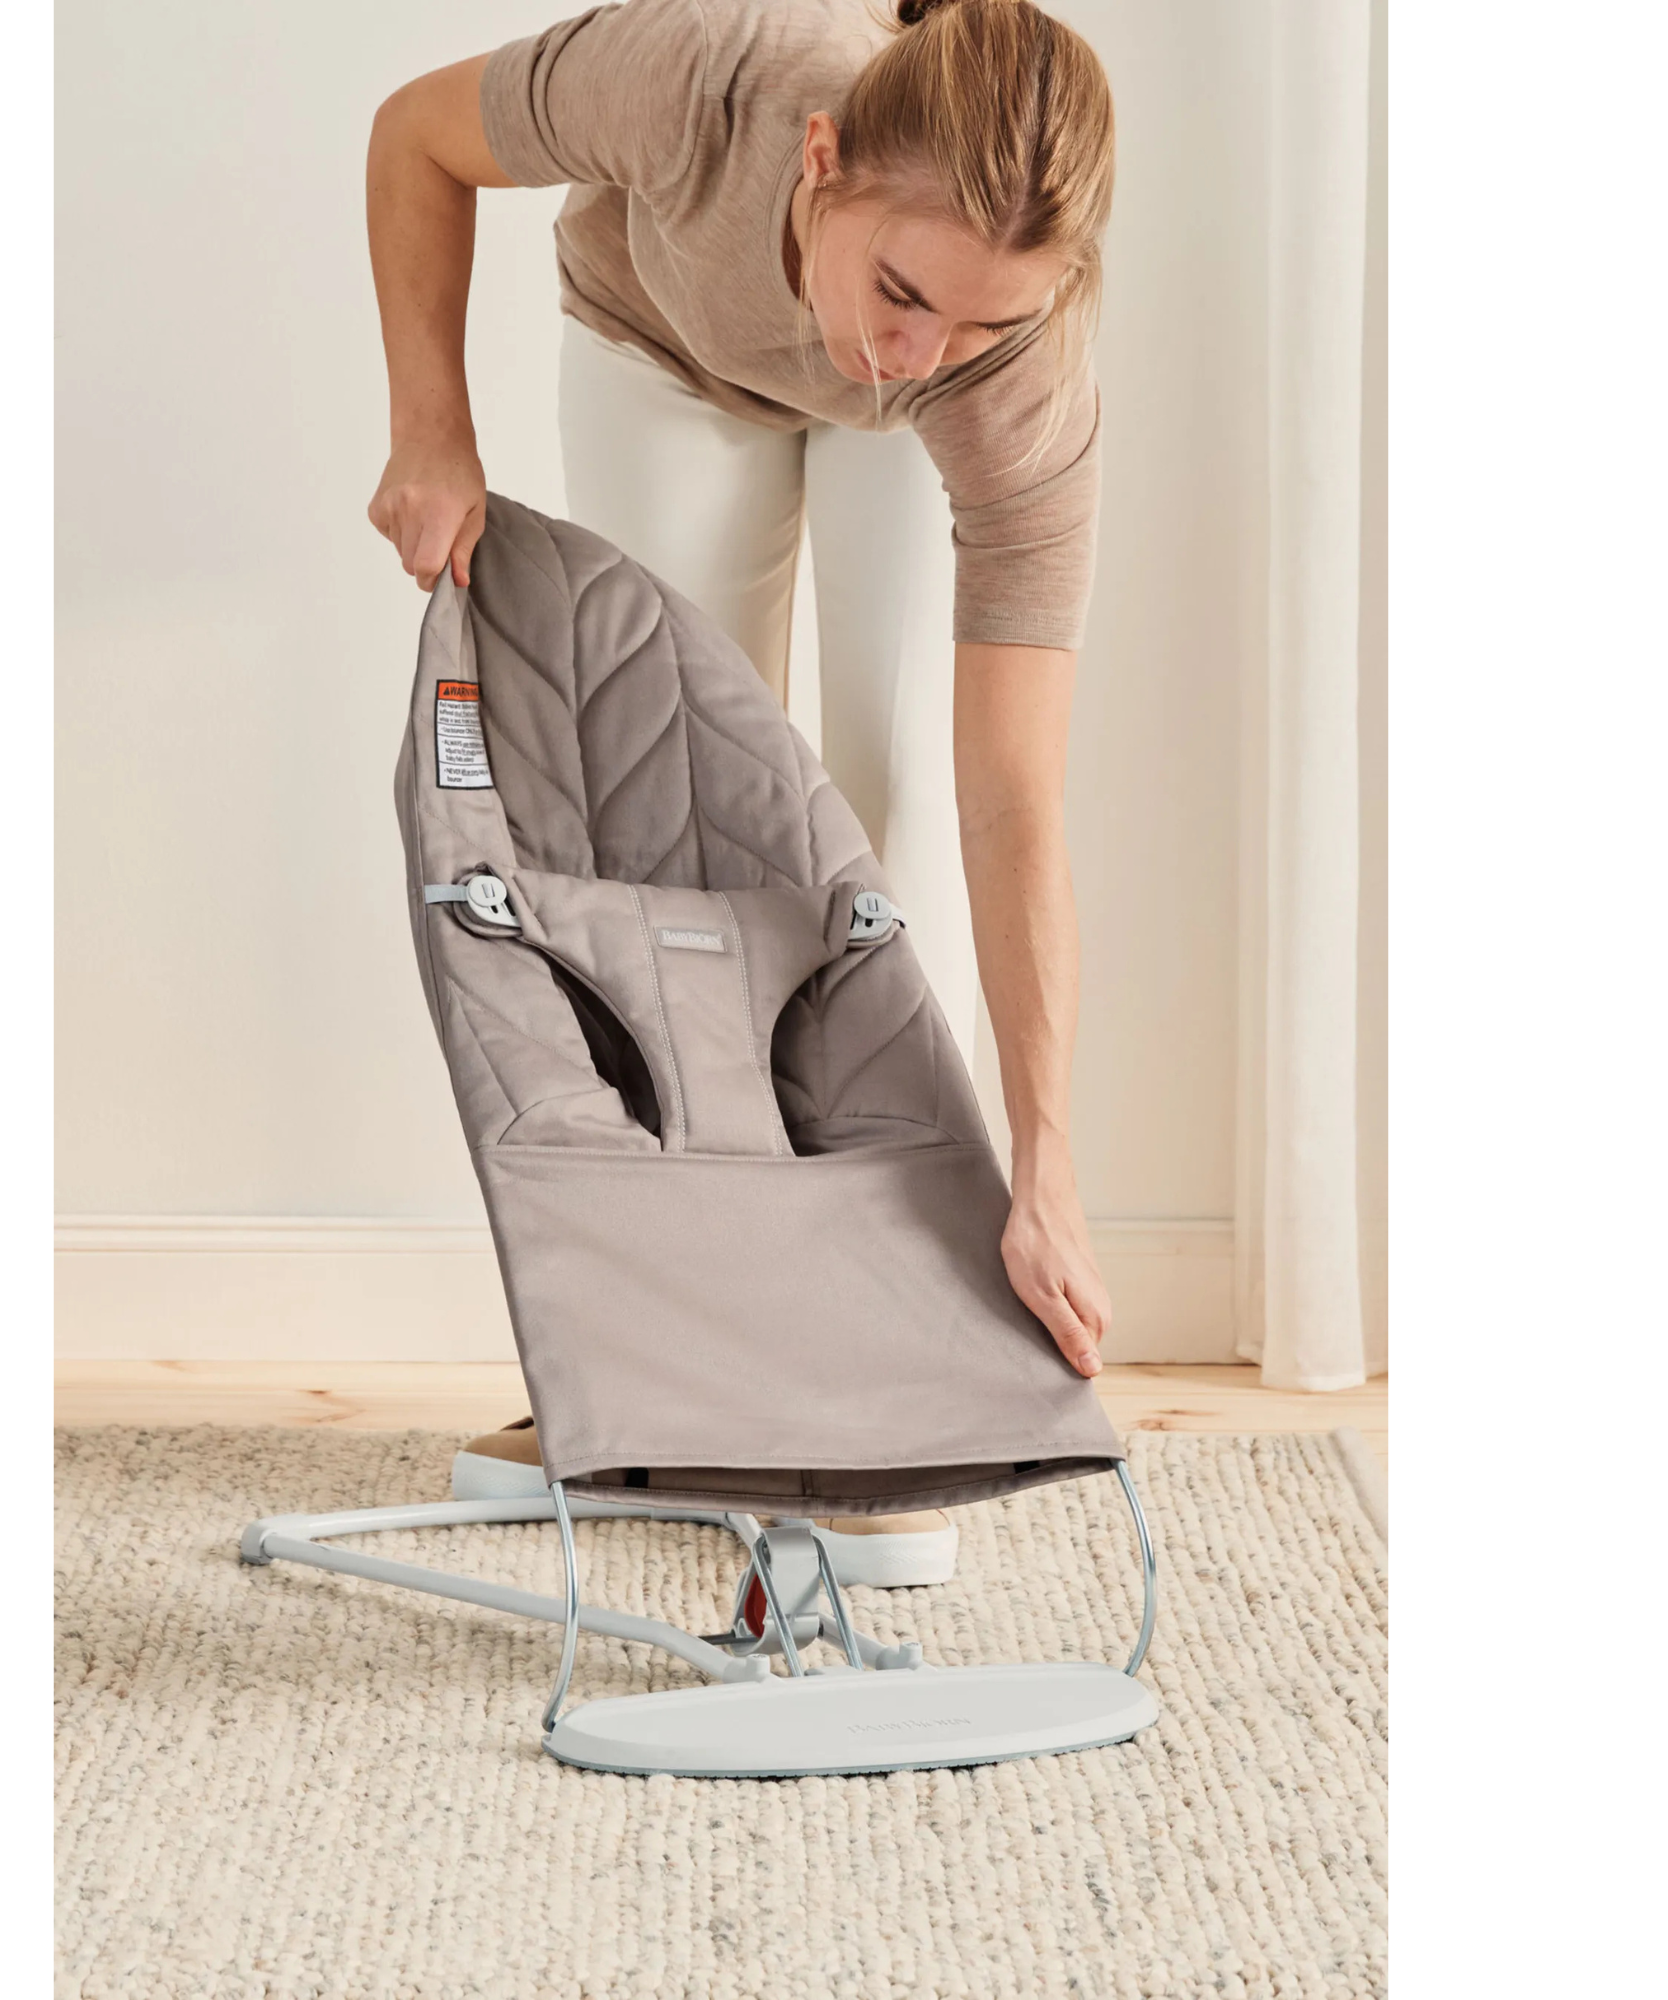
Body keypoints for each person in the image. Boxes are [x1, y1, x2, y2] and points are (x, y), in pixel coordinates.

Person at [368, 0, 1115, 1587]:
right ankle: (665, 1373)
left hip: (911, 439)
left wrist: (1048, 1163)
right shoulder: (699, 75)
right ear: (821, 161)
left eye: (978, 321)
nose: (916, 348)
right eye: (902, 291)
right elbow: (416, 136)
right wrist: (432, 427)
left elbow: (1013, 798)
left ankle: (893, 1385)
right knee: (663, 854)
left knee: (888, 844)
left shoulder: (1000, 376)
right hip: (666, 341)